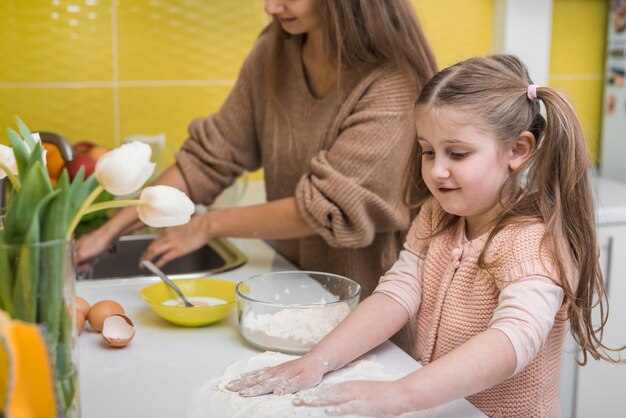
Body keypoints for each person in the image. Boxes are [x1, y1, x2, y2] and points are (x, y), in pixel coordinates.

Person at [225, 54, 624, 417]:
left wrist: (402, 395)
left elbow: (513, 340)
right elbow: (398, 292)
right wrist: (319, 359)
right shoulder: (439, 216)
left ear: (517, 150)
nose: (436, 171)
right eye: (428, 151)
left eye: (458, 153)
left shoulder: (531, 243)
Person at [75, 0, 437, 308]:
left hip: (367, 307)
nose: (270, 7)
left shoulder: (393, 85)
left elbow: (329, 207)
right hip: (292, 289)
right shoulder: (276, 51)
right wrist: (111, 230)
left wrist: (206, 225)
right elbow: (211, 155)